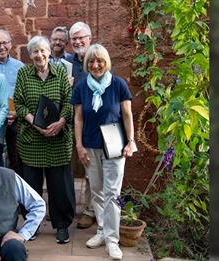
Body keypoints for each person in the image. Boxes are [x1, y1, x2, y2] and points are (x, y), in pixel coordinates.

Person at [70, 44, 137, 260]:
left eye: (99, 61)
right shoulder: (81, 86)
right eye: (91, 61)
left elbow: (127, 115)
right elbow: (78, 117)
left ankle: (112, 240)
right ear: (86, 63)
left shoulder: (118, 84)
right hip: (90, 145)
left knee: (112, 193)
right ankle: (101, 231)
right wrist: (79, 145)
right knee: (97, 190)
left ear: (106, 62)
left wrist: (131, 142)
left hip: (115, 146)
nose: (95, 65)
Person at [14, 35, 75, 244]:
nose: (39, 55)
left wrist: (60, 123)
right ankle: (33, 224)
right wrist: (34, 122)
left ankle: (62, 226)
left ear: (49, 52)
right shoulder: (23, 74)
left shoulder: (61, 74)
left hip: (57, 140)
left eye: (42, 50)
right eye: (35, 52)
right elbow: (19, 105)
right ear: (30, 55)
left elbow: (69, 102)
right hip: (32, 139)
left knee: (60, 186)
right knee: (31, 186)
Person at [67, 21, 96, 229]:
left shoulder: (97, 59)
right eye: (74, 38)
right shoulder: (67, 63)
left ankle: (89, 210)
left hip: (92, 122)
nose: (77, 42)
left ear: (89, 38)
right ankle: (67, 207)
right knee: (66, 166)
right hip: (69, 121)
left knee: (91, 168)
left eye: (81, 37)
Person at [0, 29, 24, 174]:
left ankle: (16, 191)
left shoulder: (19, 66)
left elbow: (23, 93)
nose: (1, 47)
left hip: (14, 116)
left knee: (16, 157)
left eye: (5, 43)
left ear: (10, 44)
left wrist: (15, 112)